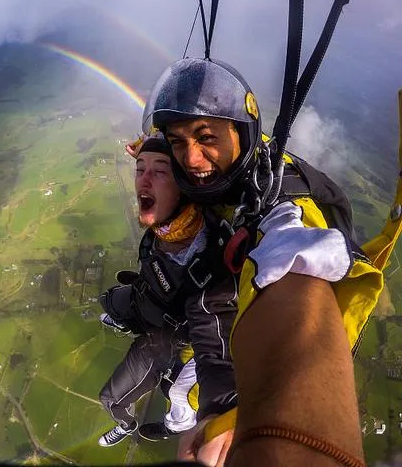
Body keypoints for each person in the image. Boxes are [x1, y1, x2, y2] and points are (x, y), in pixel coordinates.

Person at [138, 57, 384, 466]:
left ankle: (181, 419)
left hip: (229, 352)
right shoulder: (239, 166)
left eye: (205, 138)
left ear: (242, 132)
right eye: (177, 143)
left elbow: (295, 267)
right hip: (209, 330)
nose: (191, 159)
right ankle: (181, 416)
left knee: (183, 391)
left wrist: (247, 417)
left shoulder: (282, 208)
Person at [97, 135, 238, 450]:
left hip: (165, 341)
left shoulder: (209, 261)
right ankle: (124, 317)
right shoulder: (168, 223)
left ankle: (128, 423)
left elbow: (216, 352)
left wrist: (215, 419)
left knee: (112, 398)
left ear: (185, 185)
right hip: (147, 297)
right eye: (139, 169)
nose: (143, 180)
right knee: (107, 301)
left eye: (159, 171)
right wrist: (153, 143)